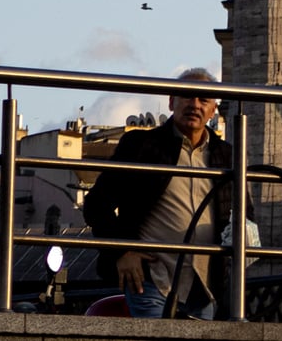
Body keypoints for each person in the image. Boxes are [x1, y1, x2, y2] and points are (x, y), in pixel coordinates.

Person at [81, 70, 232, 318]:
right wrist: (122, 252)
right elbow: (97, 204)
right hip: (152, 278)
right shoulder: (142, 146)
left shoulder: (226, 155)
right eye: (186, 97)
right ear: (172, 102)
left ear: (214, 109)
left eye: (204, 100)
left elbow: (243, 215)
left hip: (204, 287)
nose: (194, 105)